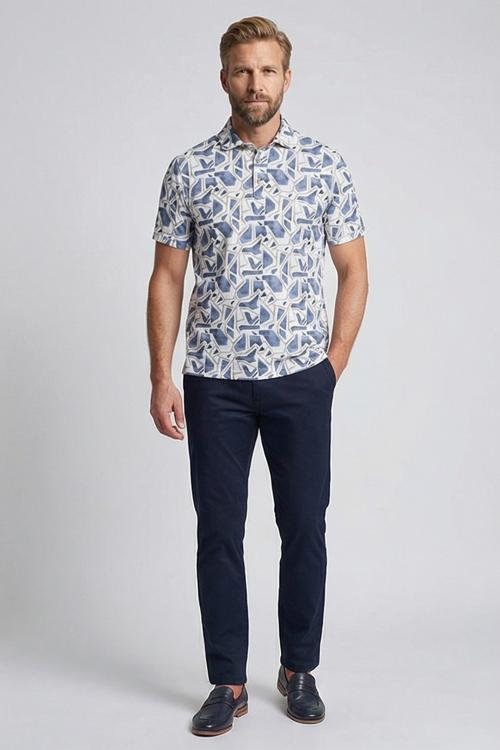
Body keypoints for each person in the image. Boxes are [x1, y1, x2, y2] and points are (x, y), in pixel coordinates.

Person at [147, 15, 368, 737]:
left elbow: (354, 270)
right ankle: (228, 681)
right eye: (243, 70)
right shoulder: (189, 170)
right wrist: (160, 376)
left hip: (301, 379)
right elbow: (166, 277)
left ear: (287, 79)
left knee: (304, 525)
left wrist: (333, 363)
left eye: (267, 70)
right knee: (219, 532)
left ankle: (298, 667)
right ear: (224, 79)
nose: (255, 83)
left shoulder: (324, 165)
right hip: (215, 381)